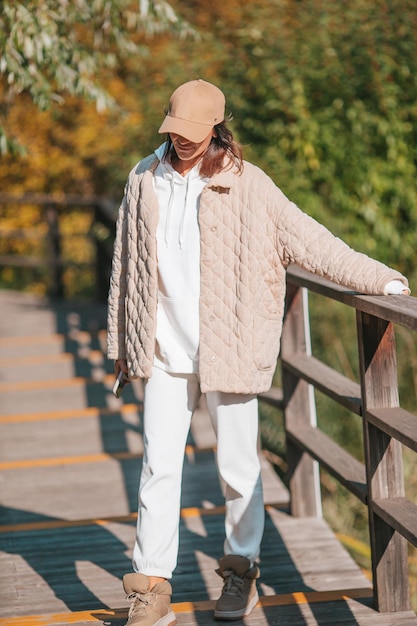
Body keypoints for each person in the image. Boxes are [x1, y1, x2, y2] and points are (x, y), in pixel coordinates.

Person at [107, 78, 410, 626]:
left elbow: (311, 240)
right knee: (157, 466)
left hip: (229, 348)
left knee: (238, 470)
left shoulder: (249, 187)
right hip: (163, 352)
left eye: (194, 134)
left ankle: (240, 573)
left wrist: (379, 278)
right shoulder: (143, 178)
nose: (182, 142)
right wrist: (121, 343)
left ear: (218, 129)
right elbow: (125, 264)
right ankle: (151, 587)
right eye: (175, 132)